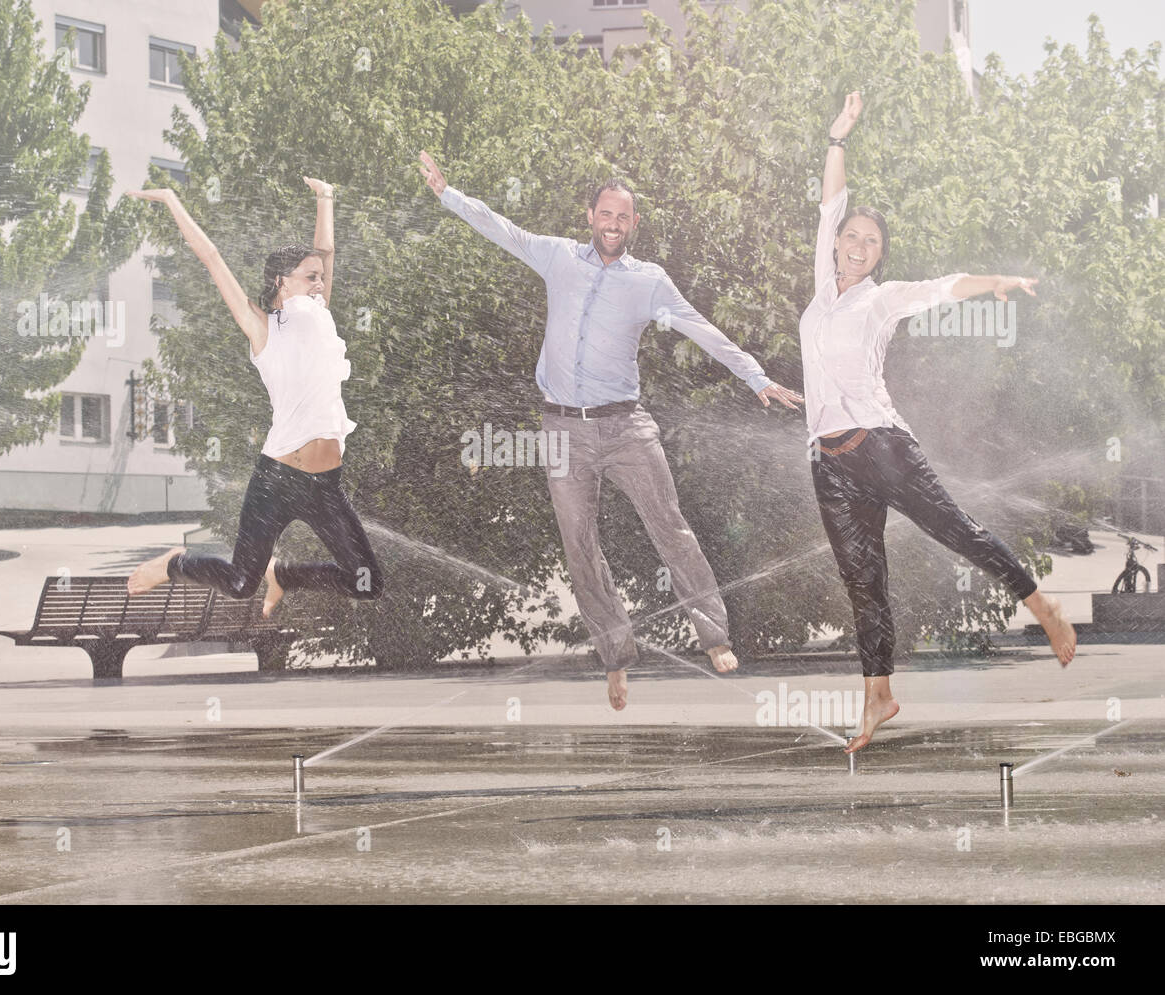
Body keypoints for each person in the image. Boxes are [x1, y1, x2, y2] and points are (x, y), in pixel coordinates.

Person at [419, 150, 804, 711]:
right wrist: (446, 193)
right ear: (591, 216)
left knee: (671, 528)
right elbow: (500, 229)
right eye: (606, 214)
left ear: (634, 225)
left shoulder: (648, 282)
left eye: (623, 217)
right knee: (580, 547)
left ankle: (714, 635)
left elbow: (701, 329)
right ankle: (616, 656)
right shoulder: (557, 258)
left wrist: (756, 378)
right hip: (562, 431)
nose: (613, 225)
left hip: (626, 426)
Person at [804, 93, 1076, 752]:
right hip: (828, 463)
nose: (859, 246)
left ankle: (1041, 603)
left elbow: (943, 285)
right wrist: (838, 136)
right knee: (863, 582)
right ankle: (878, 695)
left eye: (872, 243)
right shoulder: (820, 284)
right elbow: (831, 201)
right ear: (836, 243)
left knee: (956, 528)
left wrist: (997, 282)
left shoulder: (882, 299)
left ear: (876, 256)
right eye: (852, 237)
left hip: (882, 447)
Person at [126, 177, 382, 614]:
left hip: (325, 486)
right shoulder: (263, 327)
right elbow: (212, 258)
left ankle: (283, 576)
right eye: (310, 277)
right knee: (242, 583)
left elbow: (328, 251)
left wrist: (326, 196)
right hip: (276, 483)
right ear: (283, 282)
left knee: (367, 583)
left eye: (322, 277)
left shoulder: (320, 318)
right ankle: (174, 565)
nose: (320, 284)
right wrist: (172, 201)